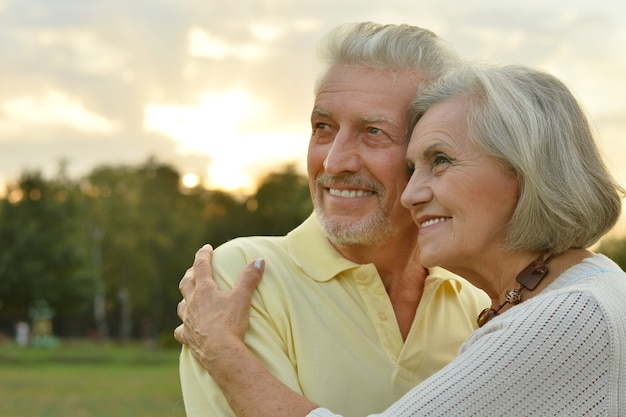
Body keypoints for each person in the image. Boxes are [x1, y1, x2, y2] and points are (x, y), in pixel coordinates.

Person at [175, 63, 626, 416]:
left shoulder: (569, 316)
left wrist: (223, 353)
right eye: (413, 167)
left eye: (441, 160)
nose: (411, 195)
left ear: (528, 172)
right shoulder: (581, 295)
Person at [177, 22, 490, 417]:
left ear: (434, 155)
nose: (335, 161)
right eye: (323, 128)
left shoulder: (477, 305)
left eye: (373, 132)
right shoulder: (241, 278)